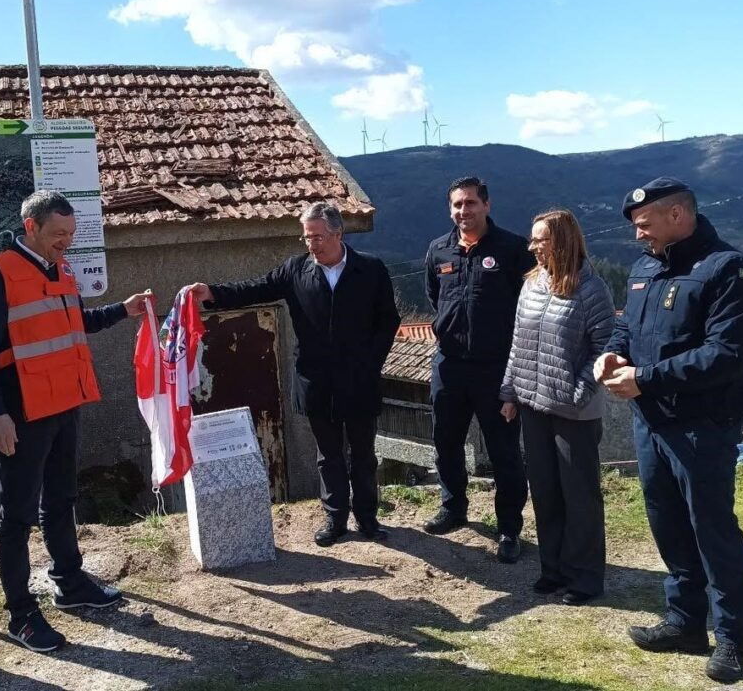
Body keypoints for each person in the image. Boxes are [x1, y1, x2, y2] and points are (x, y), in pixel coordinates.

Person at [0, 190, 153, 654]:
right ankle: (21, 614)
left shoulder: (60, 268)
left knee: (62, 497)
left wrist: (121, 311)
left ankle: (69, 582)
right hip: (21, 414)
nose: (66, 242)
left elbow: (73, 324)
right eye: (57, 234)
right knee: (18, 515)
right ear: (31, 227)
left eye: (70, 234)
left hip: (64, 403)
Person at [594, 177, 743, 684]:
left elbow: (725, 356)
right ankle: (685, 622)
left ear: (677, 216)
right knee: (666, 523)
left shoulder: (730, 270)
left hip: (702, 427)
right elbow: (629, 327)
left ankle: (733, 639)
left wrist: (643, 379)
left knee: (712, 530)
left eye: (645, 226)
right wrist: (613, 352)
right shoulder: (647, 268)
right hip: (653, 422)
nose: (638, 236)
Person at [186, 202, 400, 547]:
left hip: (360, 380)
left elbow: (388, 321)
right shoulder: (296, 270)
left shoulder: (371, 269)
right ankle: (335, 519)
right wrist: (213, 293)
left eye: (317, 237)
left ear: (337, 233)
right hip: (317, 381)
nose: (310, 244)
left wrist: (371, 363)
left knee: (362, 453)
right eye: (306, 237)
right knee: (327, 453)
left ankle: (368, 519)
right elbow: (256, 288)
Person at [499, 209, 613, 604]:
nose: (533, 248)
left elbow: (604, 349)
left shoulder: (590, 289)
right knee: (545, 491)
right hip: (533, 405)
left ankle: (584, 578)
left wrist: (577, 393)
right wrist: (509, 393)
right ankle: (553, 569)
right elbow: (518, 342)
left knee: (579, 496)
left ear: (562, 241)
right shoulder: (531, 285)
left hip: (574, 413)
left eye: (540, 241)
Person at [423, 177, 533, 563]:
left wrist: (516, 379)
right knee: (445, 442)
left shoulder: (513, 249)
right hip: (449, 366)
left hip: (497, 369)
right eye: (456, 205)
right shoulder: (439, 250)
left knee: (504, 452)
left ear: (486, 205)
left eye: (470, 203)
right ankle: (453, 507)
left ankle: (509, 529)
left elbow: (528, 311)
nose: (463, 211)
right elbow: (435, 299)